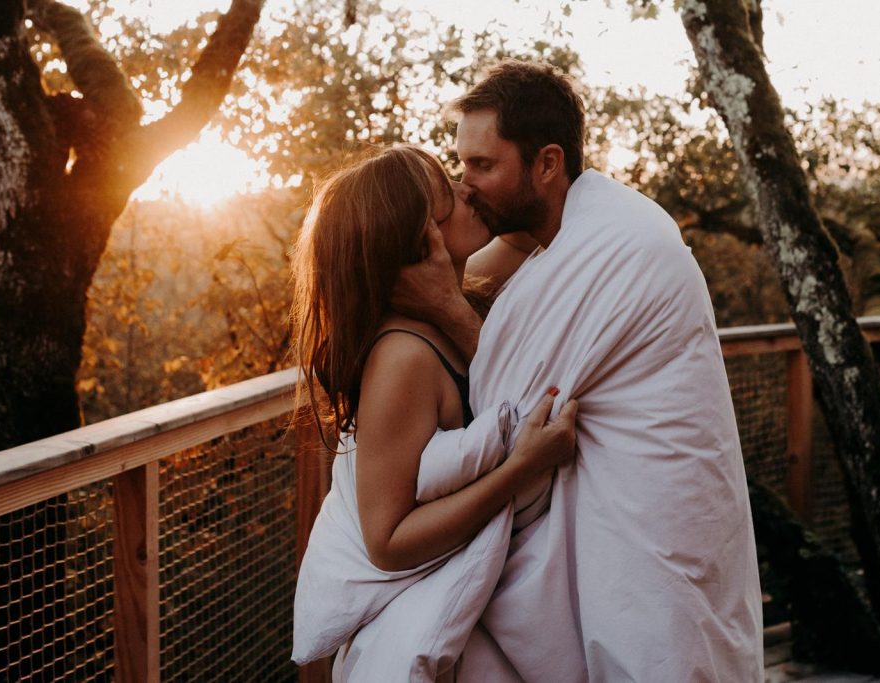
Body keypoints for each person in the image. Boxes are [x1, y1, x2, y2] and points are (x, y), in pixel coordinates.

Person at [393, 61, 765, 681]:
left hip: (658, 531)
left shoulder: (615, 243)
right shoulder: (567, 234)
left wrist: (440, 304)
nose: (465, 184)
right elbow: (480, 272)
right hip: (628, 525)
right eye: (462, 164)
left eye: (483, 165)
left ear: (546, 163)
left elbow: (511, 405)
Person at [290, 145, 578, 680]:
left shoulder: (462, 294)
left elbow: (532, 231)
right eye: (446, 196)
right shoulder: (403, 358)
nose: (468, 190)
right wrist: (520, 470)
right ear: (420, 241)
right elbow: (387, 542)